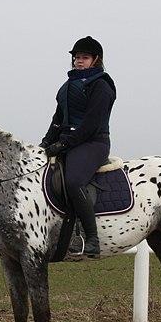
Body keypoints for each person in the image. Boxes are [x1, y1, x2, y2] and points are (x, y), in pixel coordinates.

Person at [40, 36, 117, 258]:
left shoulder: (101, 85)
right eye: (76, 57)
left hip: (93, 142)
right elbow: (58, 119)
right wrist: (46, 142)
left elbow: (91, 125)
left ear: (95, 60)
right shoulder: (67, 86)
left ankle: (92, 239)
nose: (78, 61)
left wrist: (64, 143)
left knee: (73, 181)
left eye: (84, 57)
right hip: (69, 142)